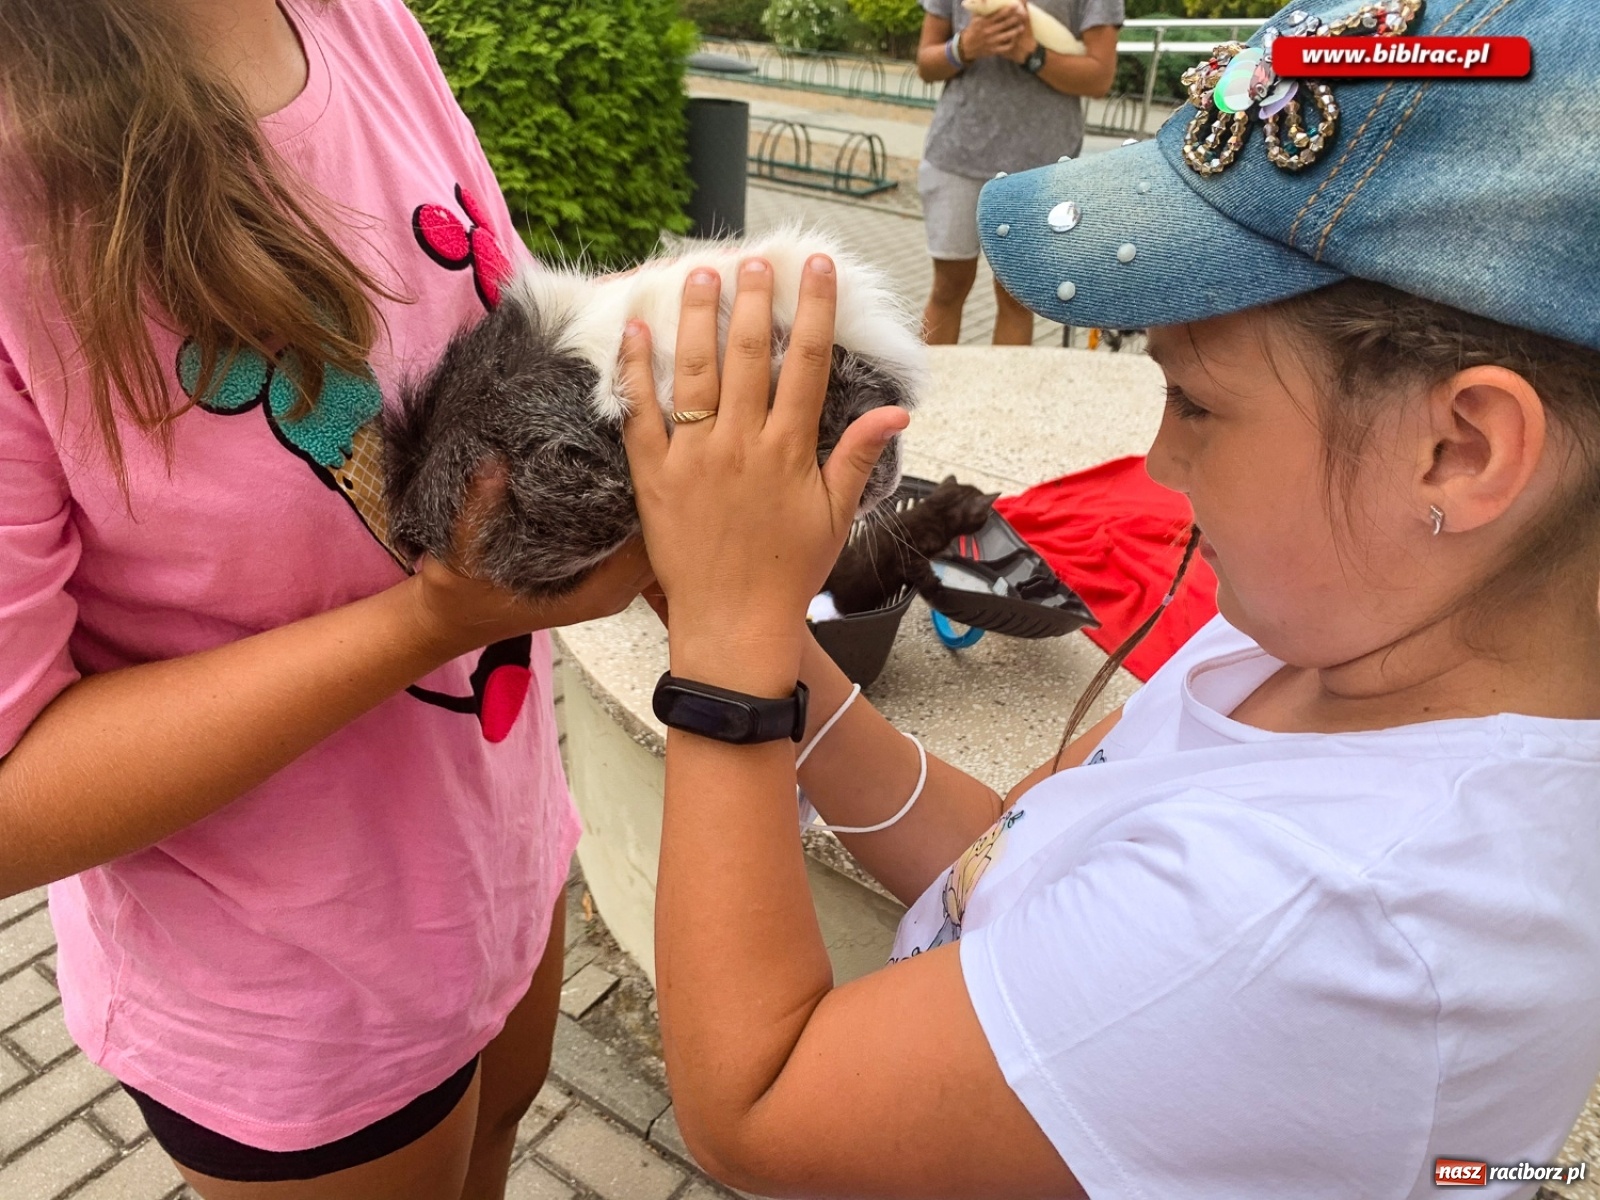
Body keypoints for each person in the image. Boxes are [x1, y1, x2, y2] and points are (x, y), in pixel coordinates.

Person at [617, 0, 1600, 1195]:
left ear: (1458, 451)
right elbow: (1006, 862)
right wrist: (769, 639)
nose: (1160, 465)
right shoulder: (1332, 648)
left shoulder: (1323, 911)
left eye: (1194, 402)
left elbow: (756, 1112)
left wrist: (724, 670)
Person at [0, 2, 650, 1197]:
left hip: (496, 858)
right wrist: (436, 621)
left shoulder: (355, 16)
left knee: (494, 1149)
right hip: (296, 997)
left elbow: (495, 325)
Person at [914, 0, 1122, 345]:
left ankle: (1001, 398)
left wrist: (1032, 53)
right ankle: (921, 399)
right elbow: (926, 64)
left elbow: (1100, 77)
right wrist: (965, 47)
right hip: (957, 152)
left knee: (1016, 297)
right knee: (948, 287)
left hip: (1040, 166)